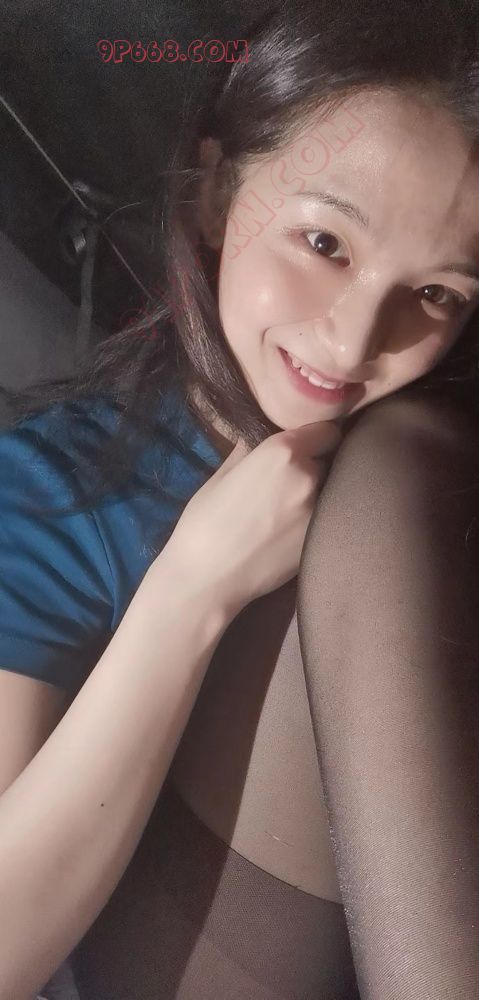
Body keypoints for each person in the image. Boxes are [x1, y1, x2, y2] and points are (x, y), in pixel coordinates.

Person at [0, 0, 479, 997]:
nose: (355, 341)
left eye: (435, 294)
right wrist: (192, 589)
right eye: (324, 243)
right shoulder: (47, 490)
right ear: (218, 192)